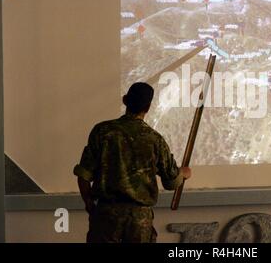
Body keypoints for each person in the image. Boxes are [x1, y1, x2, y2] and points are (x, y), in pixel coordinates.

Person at [73, 82, 191, 243]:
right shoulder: (155, 140)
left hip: (106, 215)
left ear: (125, 100)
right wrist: (184, 173)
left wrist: (88, 202)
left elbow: (84, 175)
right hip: (139, 220)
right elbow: (171, 182)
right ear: (148, 107)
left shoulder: (102, 131)